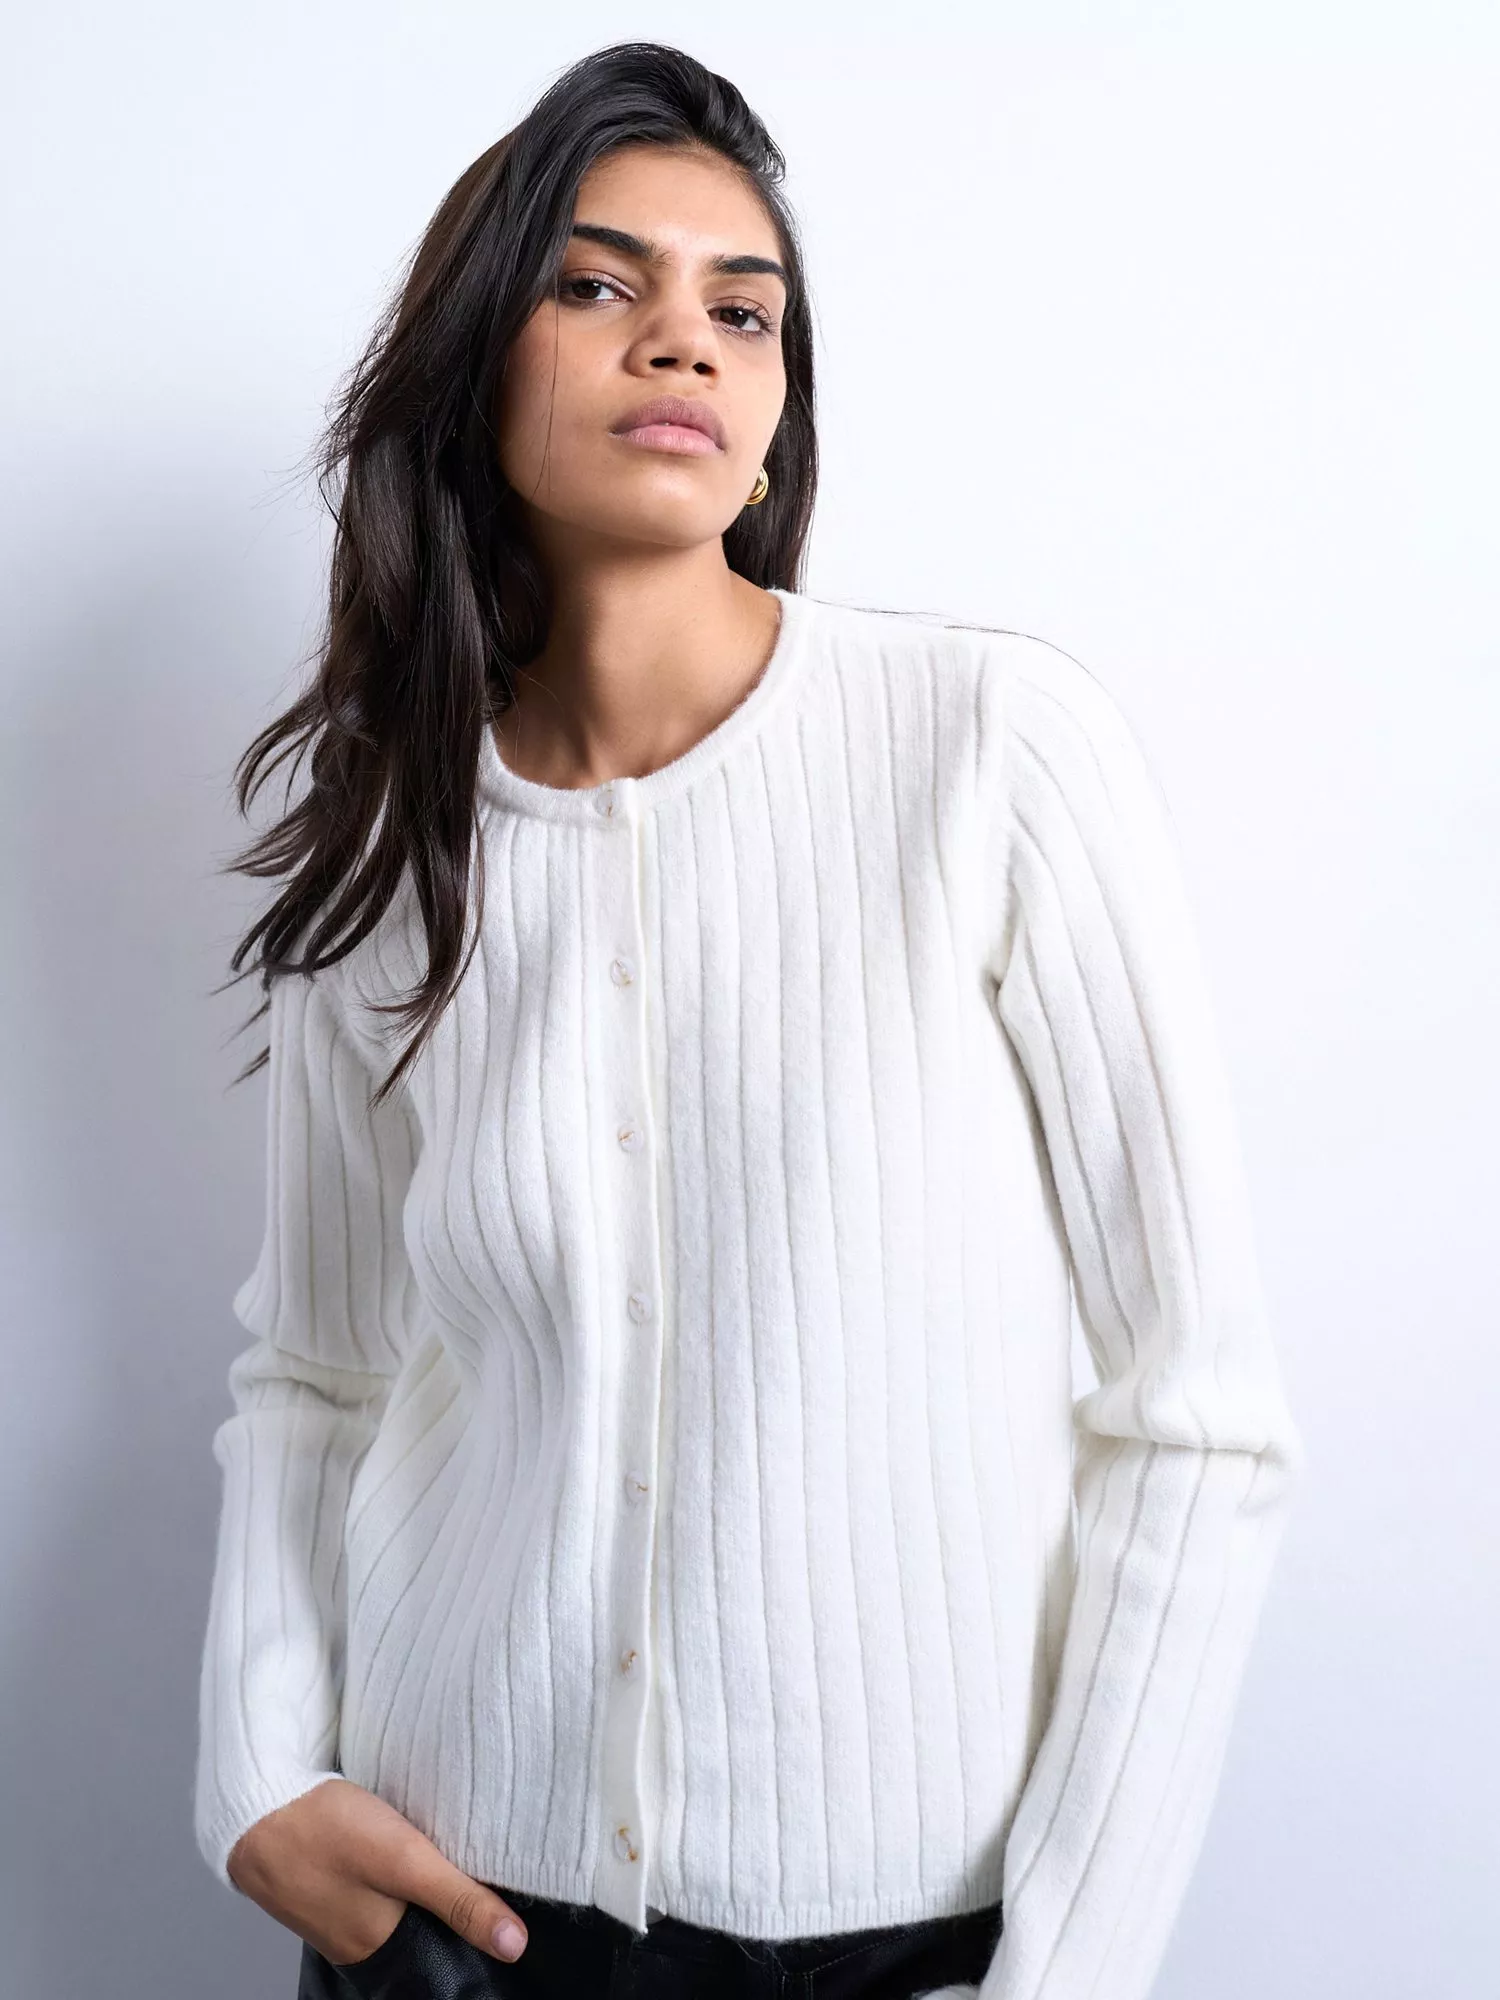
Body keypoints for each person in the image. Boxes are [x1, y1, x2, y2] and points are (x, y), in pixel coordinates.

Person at [193, 39, 1304, 2000]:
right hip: (449, 1910)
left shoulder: (989, 755)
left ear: (779, 410)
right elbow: (320, 1375)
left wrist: (1071, 1972)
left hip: (899, 1937)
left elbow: (1194, 1420)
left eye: (744, 309)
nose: (682, 343)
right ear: (473, 367)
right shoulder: (391, 846)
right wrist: (257, 1778)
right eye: (596, 284)